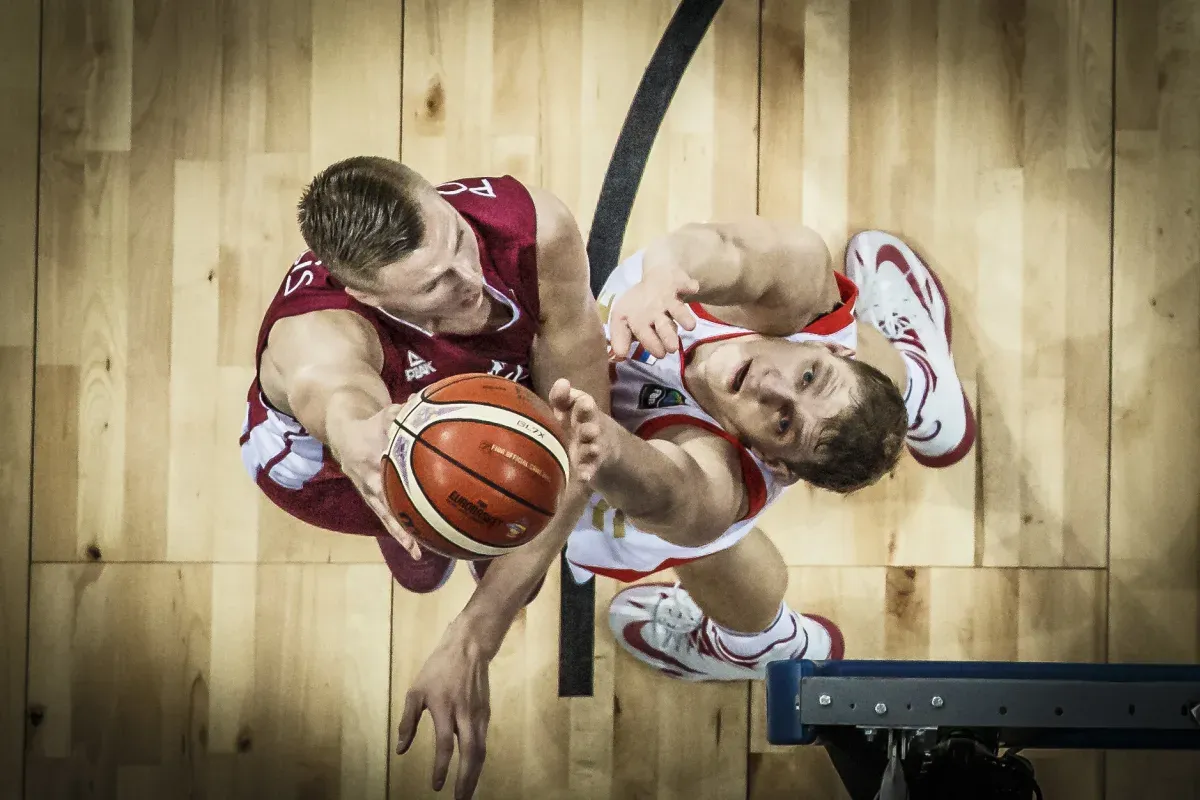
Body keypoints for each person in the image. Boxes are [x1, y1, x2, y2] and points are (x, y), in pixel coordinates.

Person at [238, 157, 610, 798]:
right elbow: (333, 389)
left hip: (458, 409)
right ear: (366, 296)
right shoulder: (318, 332)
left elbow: (580, 446)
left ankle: (454, 530)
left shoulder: (533, 228)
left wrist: (476, 631)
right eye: (436, 283)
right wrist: (358, 437)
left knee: (517, 529)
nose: (473, 282)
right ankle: (414, 546)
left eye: (459, 240)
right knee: (430, 548)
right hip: (329, 467)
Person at [547, 222, 975, 681]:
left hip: (608, 493)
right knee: (855, 355)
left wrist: (605, 448)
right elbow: (727, 248)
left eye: (785, 423)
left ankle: (761, 646)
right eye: (809, 375)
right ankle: (920, 388)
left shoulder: (718, 482)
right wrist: (666, 275)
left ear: (772, 461)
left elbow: (672, 493)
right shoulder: (802, 283)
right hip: (813, 348)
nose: (769, 386)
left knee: (708, 547)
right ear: (821, 347)